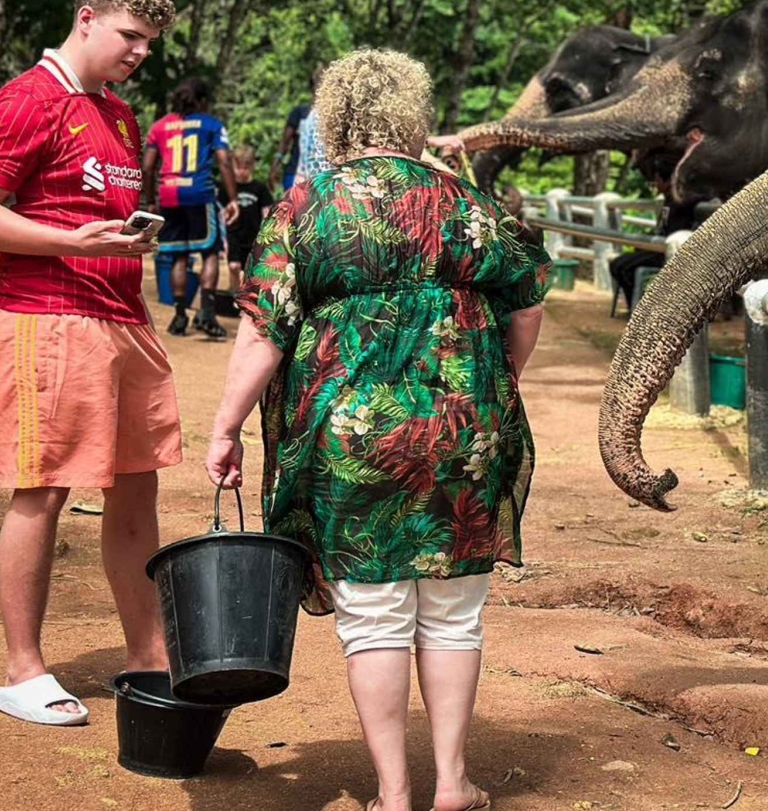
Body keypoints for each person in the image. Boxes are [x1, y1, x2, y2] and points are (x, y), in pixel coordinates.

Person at [206, 49, 549, 811]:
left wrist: (225, 426)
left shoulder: (305, 207)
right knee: (456, 609)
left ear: (338, 118)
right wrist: (500, 380)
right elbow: (526, 300)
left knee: (374, 615)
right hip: (466, 425)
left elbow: (265, 331)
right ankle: (453, 782)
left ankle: (395, 793)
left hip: (351, 435)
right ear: (414, 115)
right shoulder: (468, 203)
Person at [0, 0, 180, 726]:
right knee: (42, 486)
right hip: (47, 315)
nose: (139, 52)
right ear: (86, 20)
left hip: (120, 319)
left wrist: (118, 243)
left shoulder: (120, 112)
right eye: (130, 36)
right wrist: (68, 243)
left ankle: (149, 656)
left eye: (149, 43)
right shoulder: (27, 99)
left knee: (138, 487)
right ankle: (22, 670)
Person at [141, 77, 239, 338]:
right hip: (200, 194)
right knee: (209, 252)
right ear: (203, 101)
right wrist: (233, 199)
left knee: (179, 256)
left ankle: (180, 315)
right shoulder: (212, 125)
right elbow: (224, 161)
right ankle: (207, 313)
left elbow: (148, 167)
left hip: (169, 196)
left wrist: (151, 199)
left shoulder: (159, 127)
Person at [225, 147, 273, 293]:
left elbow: (267, 211)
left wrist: (265, 235)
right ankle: (233, 295)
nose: (242, 171)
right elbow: (221, 212)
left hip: (253, 236)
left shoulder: (260, 188)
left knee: (250, 269)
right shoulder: (228, 188)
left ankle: (247, 297)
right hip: (233, 235)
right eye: (238, 167)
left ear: (252, 166)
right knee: (233, 266)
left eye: (246, 168)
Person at [271, 68, 319, 192]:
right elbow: (285, 142)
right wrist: (276, 164)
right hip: (296, 173)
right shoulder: (300, 113)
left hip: (322, 176)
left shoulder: (334, 116)